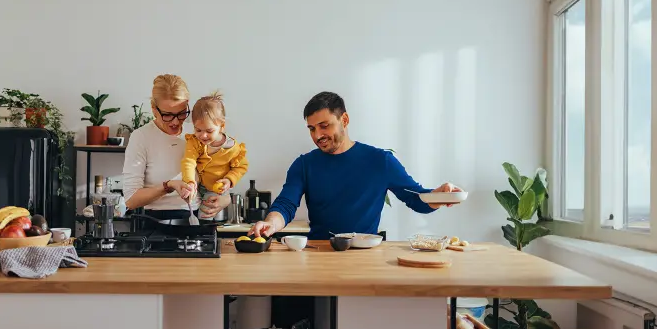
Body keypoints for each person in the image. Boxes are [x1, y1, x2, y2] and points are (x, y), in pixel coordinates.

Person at [249, 91, 461, 240]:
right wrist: (271, 224)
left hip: (365, 255)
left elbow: (416, 199)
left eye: (324, 126)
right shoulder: (304, 164)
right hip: (320, 253)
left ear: (345, 120)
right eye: (312, 129)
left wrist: (440, 195)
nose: (318, 135)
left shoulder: (380, 161)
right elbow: (286, 205)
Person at [121, 74, 232, 222]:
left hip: (195, 218)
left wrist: (225, 199)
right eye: (167, 115)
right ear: (154, 109)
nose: (175, 122)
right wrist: (169, 186)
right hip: (154, 224)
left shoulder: (198, 133)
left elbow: (217, 171)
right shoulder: (141, 137)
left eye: (181, 114)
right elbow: (130, 200)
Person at [179, 91, 249, 219]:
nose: (203, 135)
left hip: (216, 188)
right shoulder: (194, 141)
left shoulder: (232, 148)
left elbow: (241, 167)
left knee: (205, 215)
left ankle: (203, 234)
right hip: (197, 183)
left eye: (209, 131)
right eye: (198, 130)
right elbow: (188, 161)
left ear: (222, 126)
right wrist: (189, 181)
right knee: (188, 208)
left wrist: (229, 180)